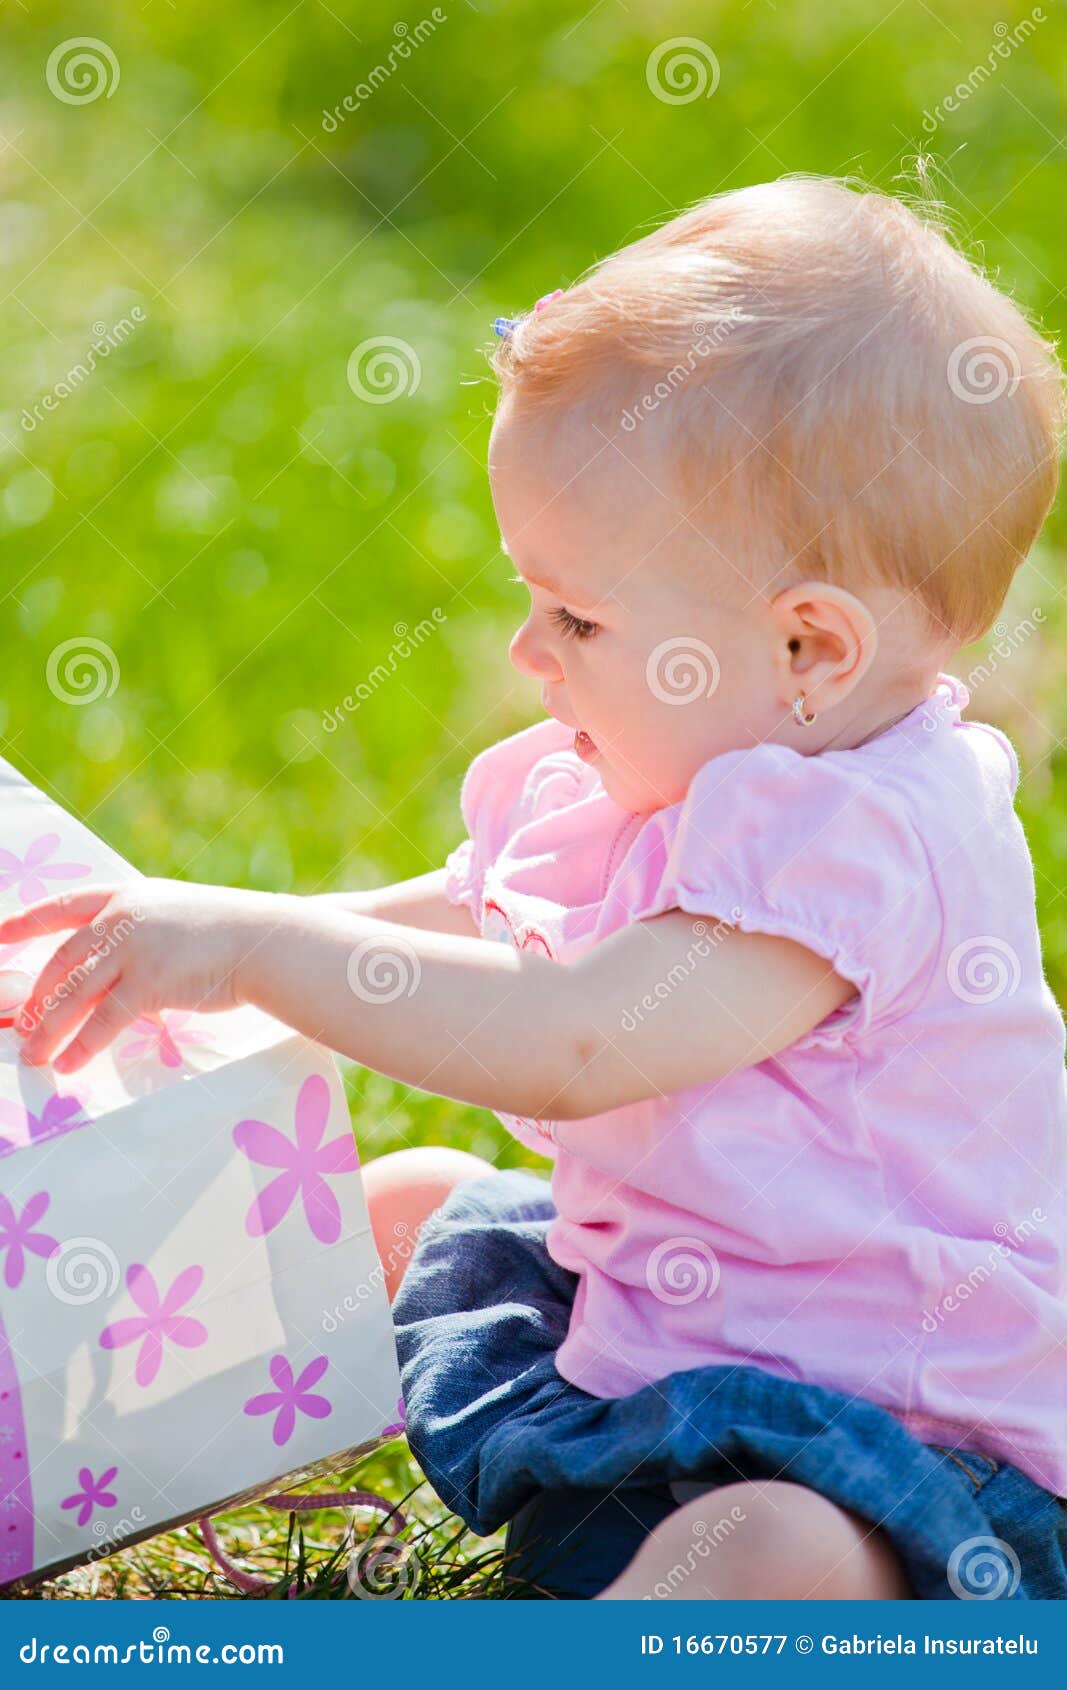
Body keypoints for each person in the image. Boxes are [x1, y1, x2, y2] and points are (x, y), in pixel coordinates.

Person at [3, 176, 1066, 1601]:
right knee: (389, 1208)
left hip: (891, 1444)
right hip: (648, 1342)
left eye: (577, 613)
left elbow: (578, 1036)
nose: (527, 649)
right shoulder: (674, 770)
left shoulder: (872, 837)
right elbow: (478, 928)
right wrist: (190, 929)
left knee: (766, 1546)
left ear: (809, 648)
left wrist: (254, 949)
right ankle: (54, 1463)